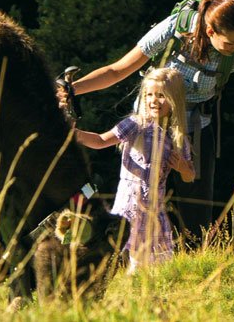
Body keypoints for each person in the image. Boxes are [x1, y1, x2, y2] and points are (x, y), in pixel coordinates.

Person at [60, 0, 234, 144]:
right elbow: (117, 71)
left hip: (195, 127)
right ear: (210, 32)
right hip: (148, 122)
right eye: (231, 42)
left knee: (195, 216)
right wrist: (71, 90)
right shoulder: (175, 29)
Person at [73, 68, 194, 272]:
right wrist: (74, 133)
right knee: (115, 256)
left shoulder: (176, 137)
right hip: (128, 206)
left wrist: (182, 168)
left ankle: (146, 295)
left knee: (157, 266)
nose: (154, 100)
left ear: (174, 100)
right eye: (149, 95)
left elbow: (190, 176)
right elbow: (101, 140)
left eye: (161, 96)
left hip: (154, 210)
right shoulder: (136, 124)